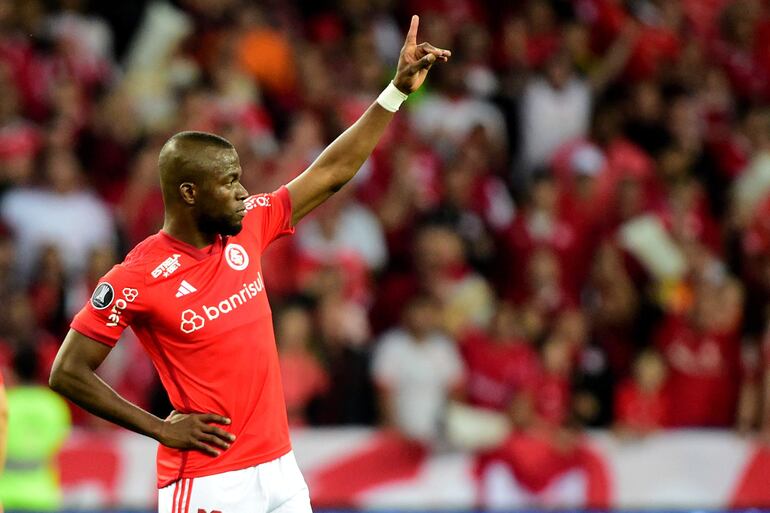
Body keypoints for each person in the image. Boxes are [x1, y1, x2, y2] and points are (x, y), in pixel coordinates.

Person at [48, 15, 450, 513]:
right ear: (189, 193)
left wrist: (395, 92)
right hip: (209, 479)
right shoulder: (136, 277)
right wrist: (159, 428)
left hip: (280, 470)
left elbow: (332, 171)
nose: (243, 191)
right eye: (229, 182)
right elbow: (67, 371)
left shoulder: (251, 226)